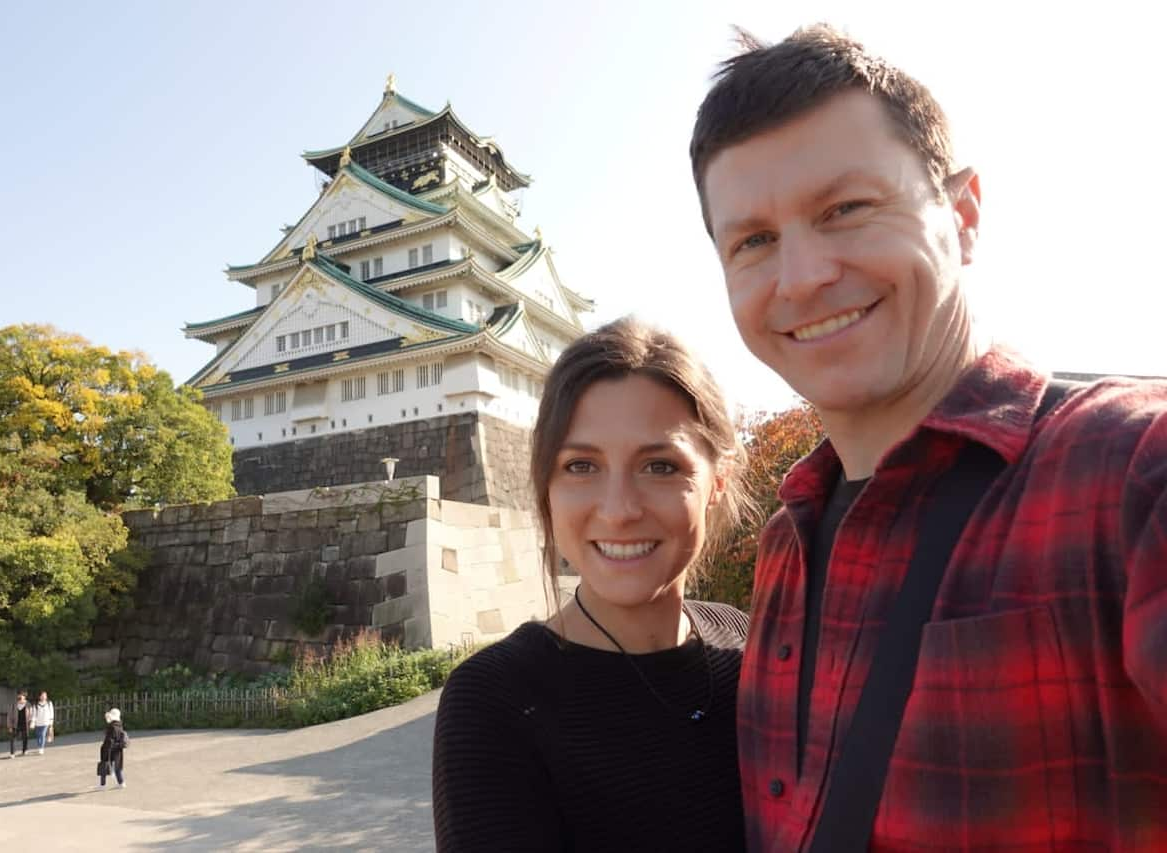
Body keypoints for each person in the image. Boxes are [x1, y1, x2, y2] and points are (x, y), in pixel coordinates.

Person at [690, 25, 1167, 851]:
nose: (802, 277)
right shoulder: (784, 546)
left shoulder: (1128, 471)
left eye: (846, 209)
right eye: (754, 241)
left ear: (964, 213)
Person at [432, 317, 754, 852]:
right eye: (581, 466)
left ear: (716, 484)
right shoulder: (496, 701)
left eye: (660, 466)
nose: (620, 510)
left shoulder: (751, 646)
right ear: (547, 489)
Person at [97, 708, 126, 790]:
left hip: (110, 749)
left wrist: (106, 749)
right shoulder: (119, 726)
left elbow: (109, 740)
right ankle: (121, 782)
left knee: (104, 765)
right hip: (118, 749)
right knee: (117, 767)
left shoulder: (112, 727)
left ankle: (102, 785)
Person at [30, 690, 54, 755]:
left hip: (46, 722)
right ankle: (39, 747)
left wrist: (51, 722)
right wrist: (33, 722)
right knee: (38, 736)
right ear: (39, 696)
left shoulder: (49, 703)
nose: (44, 697)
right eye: (42, 695)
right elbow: (34, 714)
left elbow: (51, 713)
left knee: (43, 735)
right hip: (38, 723)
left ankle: (41, 748)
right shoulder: (35, 704)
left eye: (45, 695)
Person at [7, 691, 30, 758]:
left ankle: (25, 750)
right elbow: (9, 715)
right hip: (15, 724)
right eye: (19, 695)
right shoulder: (14, 704)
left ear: (24, 696)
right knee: (12, 739)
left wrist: (32, 722)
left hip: (25, 724)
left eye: (21, 695)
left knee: (25, 737)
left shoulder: (28, 704)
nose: (20, 697)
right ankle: (12, 753)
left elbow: (32, 713)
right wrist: (9, 726)